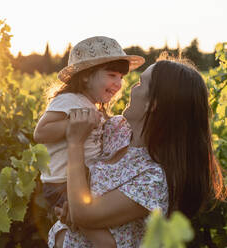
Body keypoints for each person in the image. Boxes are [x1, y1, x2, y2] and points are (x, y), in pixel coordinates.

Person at [48, 59, 226, 247]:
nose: (131, 87)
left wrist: (75, 143)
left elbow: (83, 214)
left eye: (140, 83)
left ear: (153, 103)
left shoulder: (153, 178)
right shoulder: (117, 129)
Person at [33, 36, 145, 247]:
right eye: (111, 75)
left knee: (98, 223)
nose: (118, 83)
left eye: (121, 77)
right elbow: (41, 132)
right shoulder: (70, 100)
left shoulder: (92, 105)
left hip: (80, 178)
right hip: (62, 183)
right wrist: (75, 126)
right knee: (103, 239)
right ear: (85, 77)